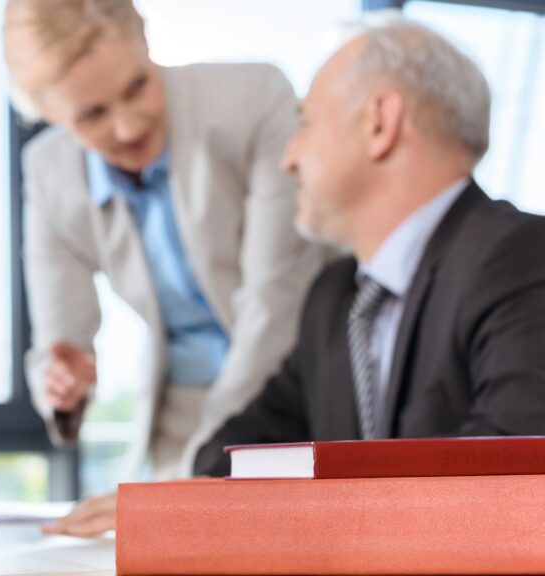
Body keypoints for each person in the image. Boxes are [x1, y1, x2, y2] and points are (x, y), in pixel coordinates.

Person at [47, 17, 545, 537]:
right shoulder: (334, 302)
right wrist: (172, 507)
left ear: (380, 121)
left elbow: (507, 489)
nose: (287, 157)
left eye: (304, 122)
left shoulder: (524, 259)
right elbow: (241, 446)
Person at [4, 0, 328, 487]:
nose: (129, 127)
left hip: (301, 389)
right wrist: (61, 384)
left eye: (137, 86)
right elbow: (59, 344)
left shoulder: (254, 98)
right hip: (183, 410)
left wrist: (200, 469)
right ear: (48, 112)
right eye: (91, 114)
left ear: (145, 39)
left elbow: (273, 306)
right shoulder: (49, 174)